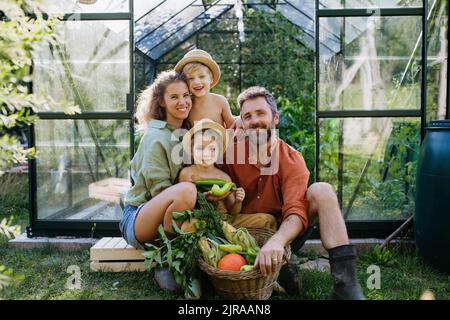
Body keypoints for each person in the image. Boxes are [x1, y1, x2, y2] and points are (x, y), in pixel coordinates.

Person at [214, 86, 365, 300]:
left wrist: (277, 241)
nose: (254, 120)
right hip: (239, 232)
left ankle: (346, 285)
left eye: (260, 113)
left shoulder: (291, 159)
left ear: (275, 118)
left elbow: (296, 210)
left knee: (322, 190)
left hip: (283, 234)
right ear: (242, 123)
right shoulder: (230, 153)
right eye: (247, 116)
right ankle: (279, 271)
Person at [120, 70, 197, 292]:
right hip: (137, 219)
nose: (183, 102)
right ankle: (165, 260)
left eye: (186, 95)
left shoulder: (184, 133)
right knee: (187, 192)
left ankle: (184, 260)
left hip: (167, 216)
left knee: (189, 192)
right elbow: (160, 192)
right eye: (174, 97)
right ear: (161, 102)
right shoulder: (156, 137)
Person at [177, 119, 246, 230]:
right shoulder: (187, 173)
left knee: (265, 219)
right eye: (200, 148)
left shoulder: (224, 177)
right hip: (200, 219)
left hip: (226, 220)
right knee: (187, 226)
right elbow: (182, 205)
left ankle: (227, 233)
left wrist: (238, 201)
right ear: (192, 150)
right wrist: (202, 199)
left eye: (212, 149)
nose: (206, 153)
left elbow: (233, 212)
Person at [175, 49, 236, 128]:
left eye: (201, 76)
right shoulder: (186, 105)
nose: (196, 82)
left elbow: (232, 126)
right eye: (190, 78)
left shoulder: (220, 101)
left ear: (211, 79)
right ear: (185, 83)